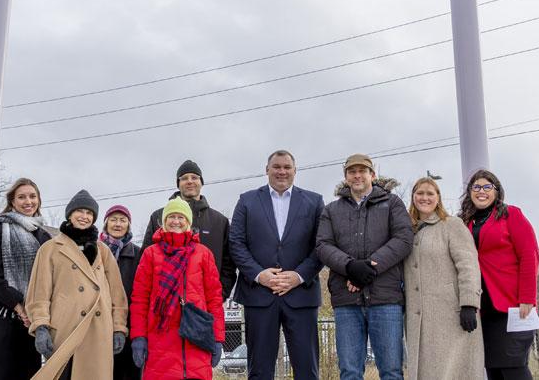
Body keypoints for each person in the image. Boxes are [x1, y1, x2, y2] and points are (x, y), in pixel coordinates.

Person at [315, 154, 413, 380]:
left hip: (386, 300)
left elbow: (403, 239)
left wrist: (369, 269)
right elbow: (322, 245)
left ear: (372, 174)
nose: (357, 175)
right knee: (349, 371)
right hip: (346, 302)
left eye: (362, 171)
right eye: (352, 171)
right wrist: (350, 267)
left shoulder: (392, 203)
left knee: (391, 370)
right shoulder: (331, 210)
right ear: (346, 177)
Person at [229, 150, 324, 380]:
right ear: (267, 170)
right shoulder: (247, 200)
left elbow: (322, 245)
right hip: (259, 296)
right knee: (259, 370)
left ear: (294, 170)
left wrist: (299, 276)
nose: (282, 171)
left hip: (301, 295)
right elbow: (236, 243)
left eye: (287, 167)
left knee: (307, 370)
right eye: (276, 167)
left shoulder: (314, 201)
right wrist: (260, 275)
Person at [26, 189, 129, 380]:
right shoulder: (50, 248)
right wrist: (40, 326)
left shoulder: (103, 250)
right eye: (80, 211)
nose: (84, 216)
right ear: (70, 214)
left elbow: (117, 294)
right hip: (65, 329)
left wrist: (119, 328)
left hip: (98, 330)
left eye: (89, 213)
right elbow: (39, 293)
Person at [0, 178, 54, 380]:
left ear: (39, 200)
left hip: (30, 326)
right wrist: (19, 304)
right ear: (12, 202)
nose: (28, 201)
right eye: (21, 197)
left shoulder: (45, 237)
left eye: (32, 196)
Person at [129, 198, 226, 380]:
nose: (176, 221)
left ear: (188, 222)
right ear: (164, 222)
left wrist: (218, 337)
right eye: (171, 217)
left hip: (196, 340)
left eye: (181, 217)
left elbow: (214, 298)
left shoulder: (203, 253)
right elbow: (140, 299)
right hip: (160, 343)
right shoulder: (151, 254)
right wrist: (138, 337)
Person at [459, 170, 539, 380]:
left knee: (513, 367)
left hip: (511, 305)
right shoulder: (464, 222)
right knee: (493, 369)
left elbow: (529, 256)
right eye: (476, 187)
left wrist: (527, 298)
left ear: (497, 191)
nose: (481, 191)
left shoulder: (511, 215)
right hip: (482, 308)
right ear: (469, 192)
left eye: (487, 187)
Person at [403, 176, 486, 380]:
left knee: (451, 371)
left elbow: (468, 265)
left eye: (430, 193)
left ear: (438, 197)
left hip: (451, 316)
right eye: (420, 193)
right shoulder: (407, 230)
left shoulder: (451, 225)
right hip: (418, 317)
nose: (425, 197)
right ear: (413, 197)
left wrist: (469, 304)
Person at [141, 159, 236, 299]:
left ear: (201, 182)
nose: (190, 181)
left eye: (194, 177)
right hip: (165, 301)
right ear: (178, 184)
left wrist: (219, 295)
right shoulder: (159, 216)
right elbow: (144, 261)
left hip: (205, 302)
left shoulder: (219, 221)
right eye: (184, 178)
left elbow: (229, 264)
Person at [101, 205, 143, 380]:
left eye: (122, 220)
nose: (118, 224)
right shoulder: (94, 251)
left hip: (128, 325)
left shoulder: (138, 254)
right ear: (105, 224)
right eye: (113, 220)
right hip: (100, 323)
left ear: (128, 225)